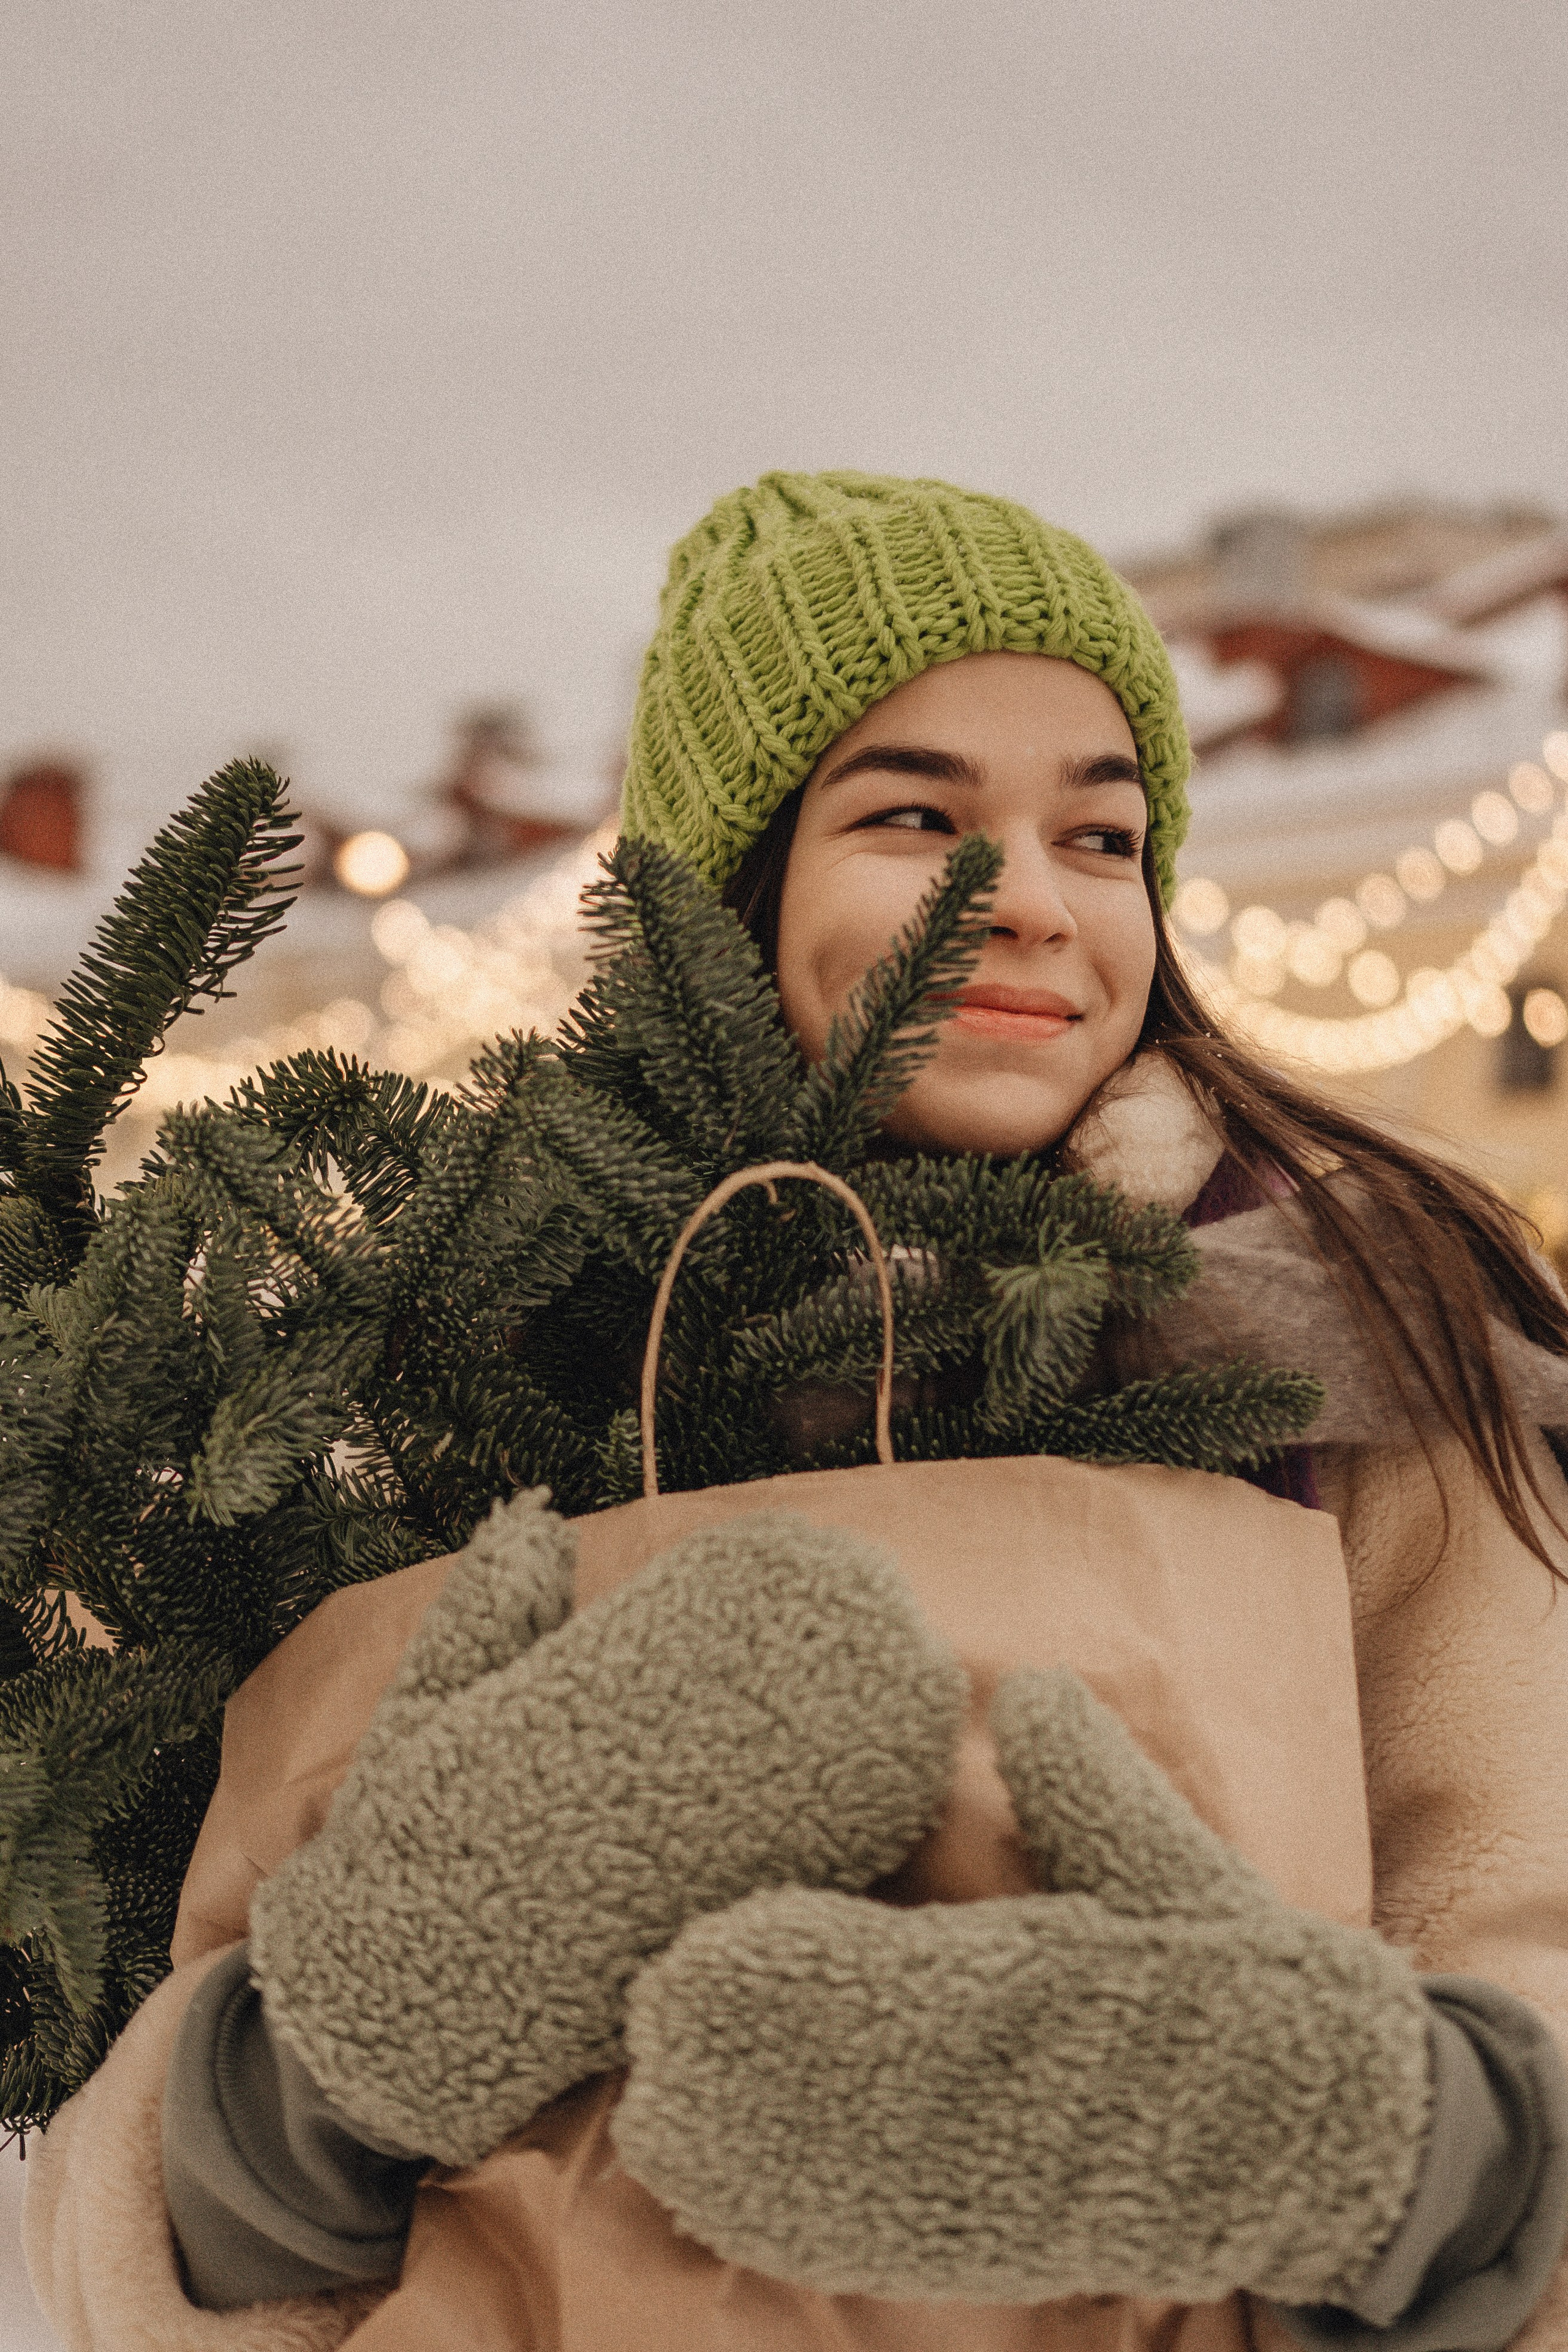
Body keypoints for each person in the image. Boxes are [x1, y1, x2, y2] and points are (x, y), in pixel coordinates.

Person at [25, 471, 1568, 2351]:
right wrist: (329, 2067)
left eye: (1102, 835)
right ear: (732, 880)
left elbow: (1528, 1920)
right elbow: (122, 2214)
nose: (1029, 904)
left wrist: (1407, 2155)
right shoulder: (443, 1370)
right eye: (918, 817)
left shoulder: (1346, 1338)